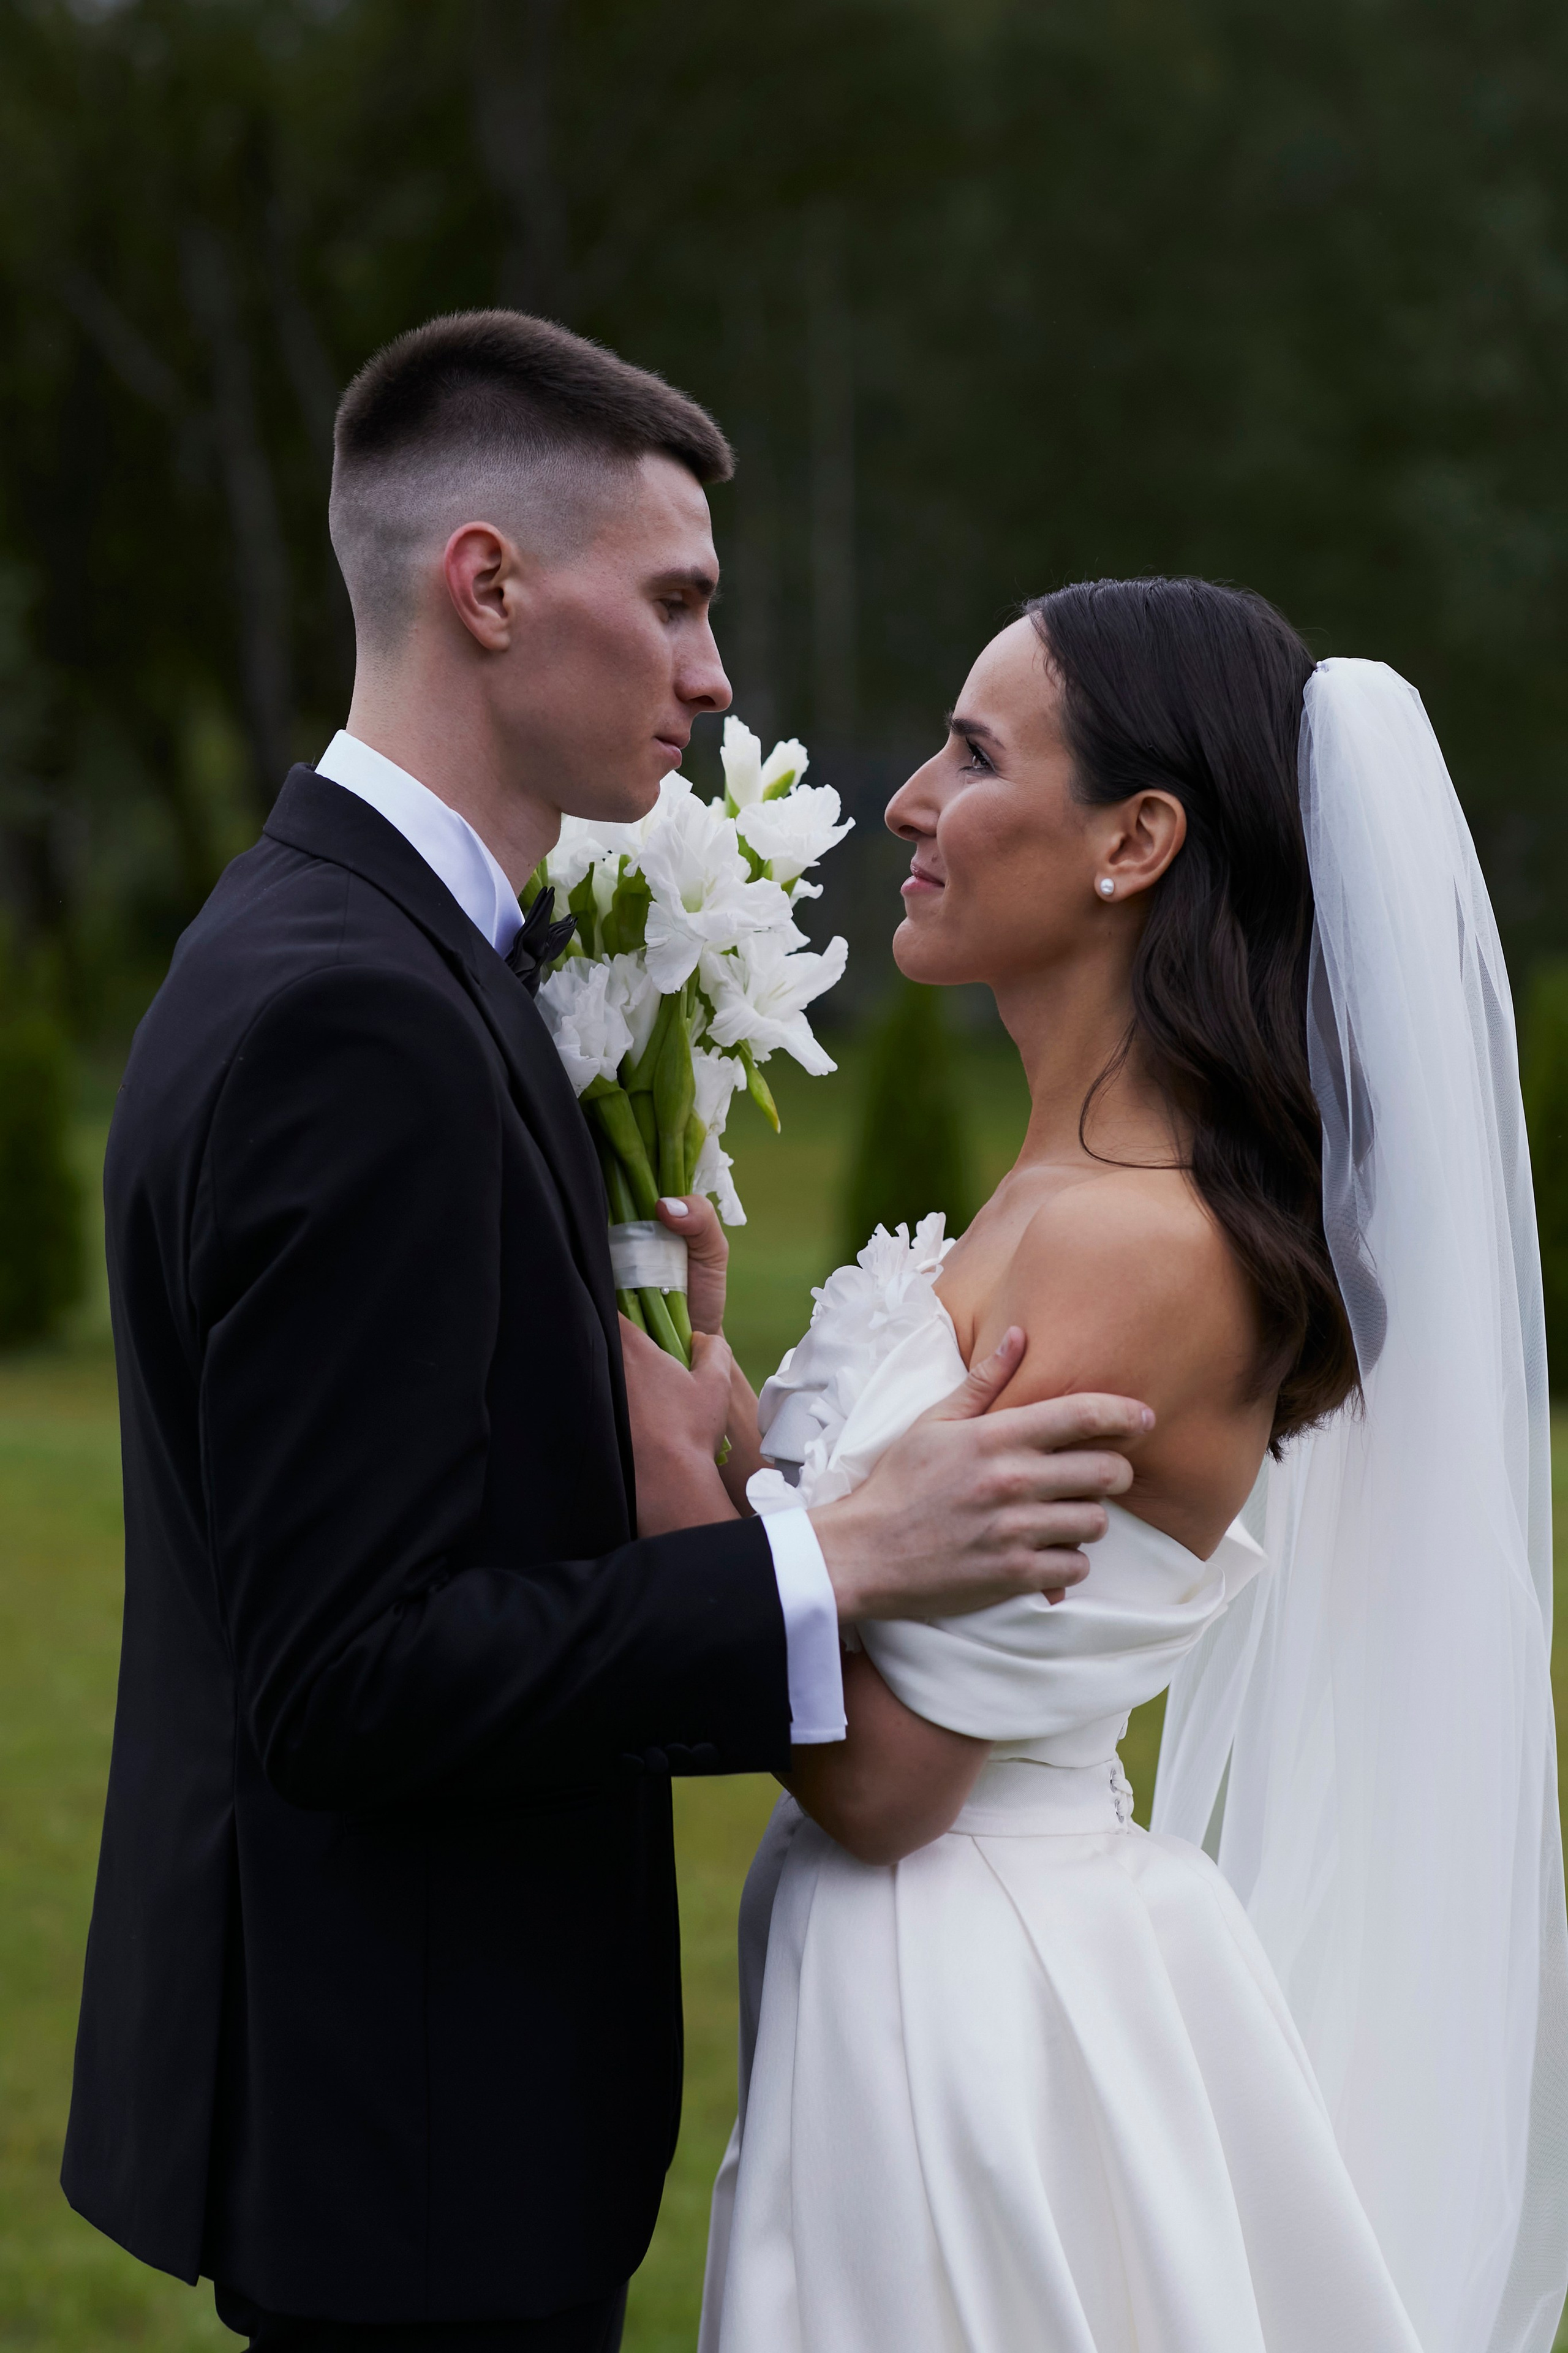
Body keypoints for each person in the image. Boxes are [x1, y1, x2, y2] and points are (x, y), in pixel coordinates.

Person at [59, 313, 1153, 2353]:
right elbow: (348, 1676)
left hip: (395, 2107)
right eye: (673, 602)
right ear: (489, 585)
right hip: (409, 2145)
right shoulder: (353, 1015)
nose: (715, 673)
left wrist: (676, 1440)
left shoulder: (369, 940)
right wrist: (830, 1556)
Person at [685, 581, 1568, 2352]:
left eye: (972, 752)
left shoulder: (1135, 1251)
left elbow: (890, 1782)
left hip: (966, 2016)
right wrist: (722, 1414)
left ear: (1136, 840)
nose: (910, 804)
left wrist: (684, 1494)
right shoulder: (1052, 1202)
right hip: (905, 1971)